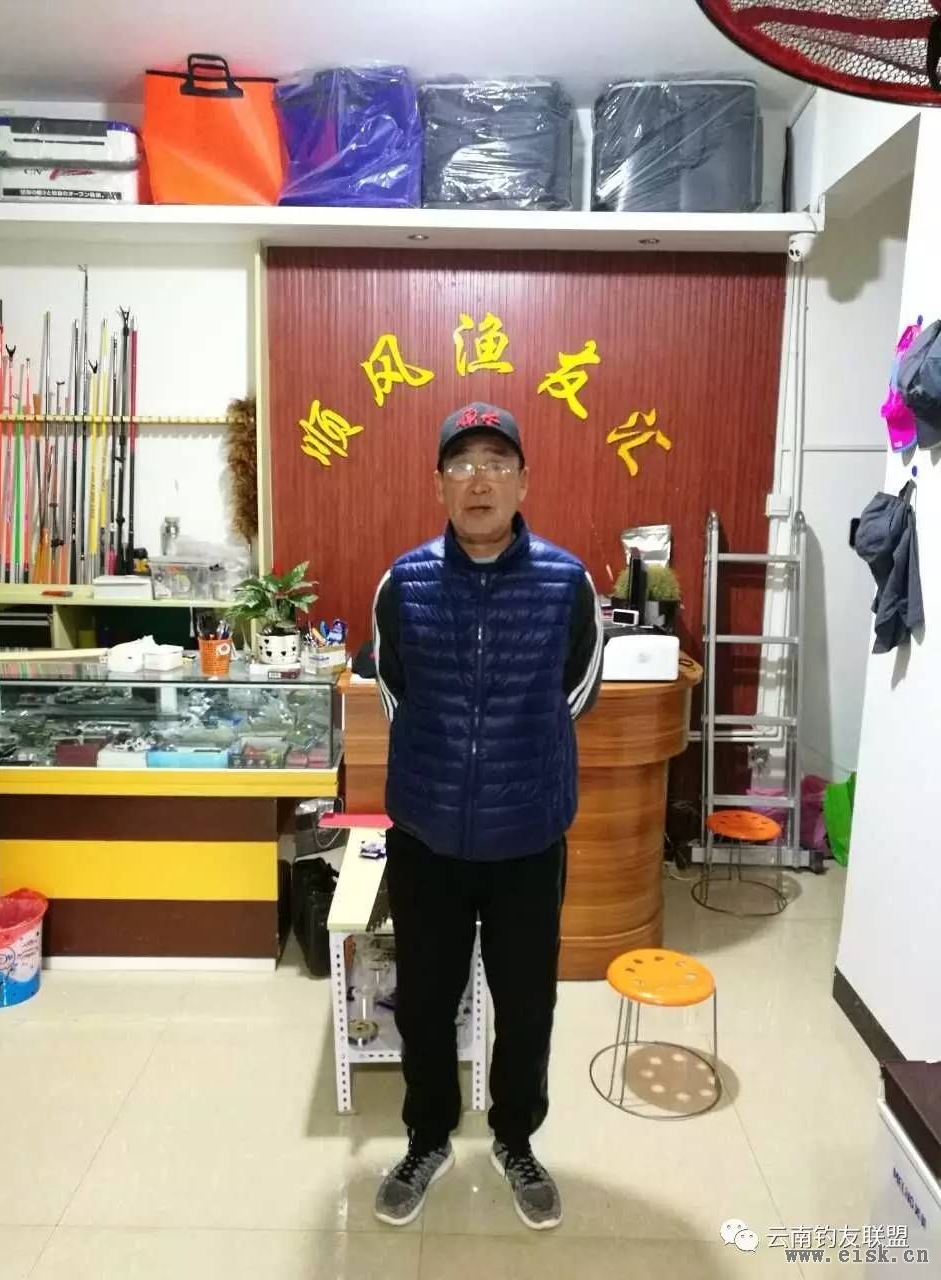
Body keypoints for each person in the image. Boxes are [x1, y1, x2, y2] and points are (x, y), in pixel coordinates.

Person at [371, 402, 603, 1232]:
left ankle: (516, 1140)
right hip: (427, 837)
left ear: (523, 482)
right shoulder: (403, 582)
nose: (479, 479)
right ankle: (427, 1137)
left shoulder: (567, 582)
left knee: (527, 1005)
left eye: (497, 463)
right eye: (462, 463)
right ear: (439, 483)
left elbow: (577, 691)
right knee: (425, 1004)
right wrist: (448, 763)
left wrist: (514, 755)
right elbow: (394, 689)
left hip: (527, 838)